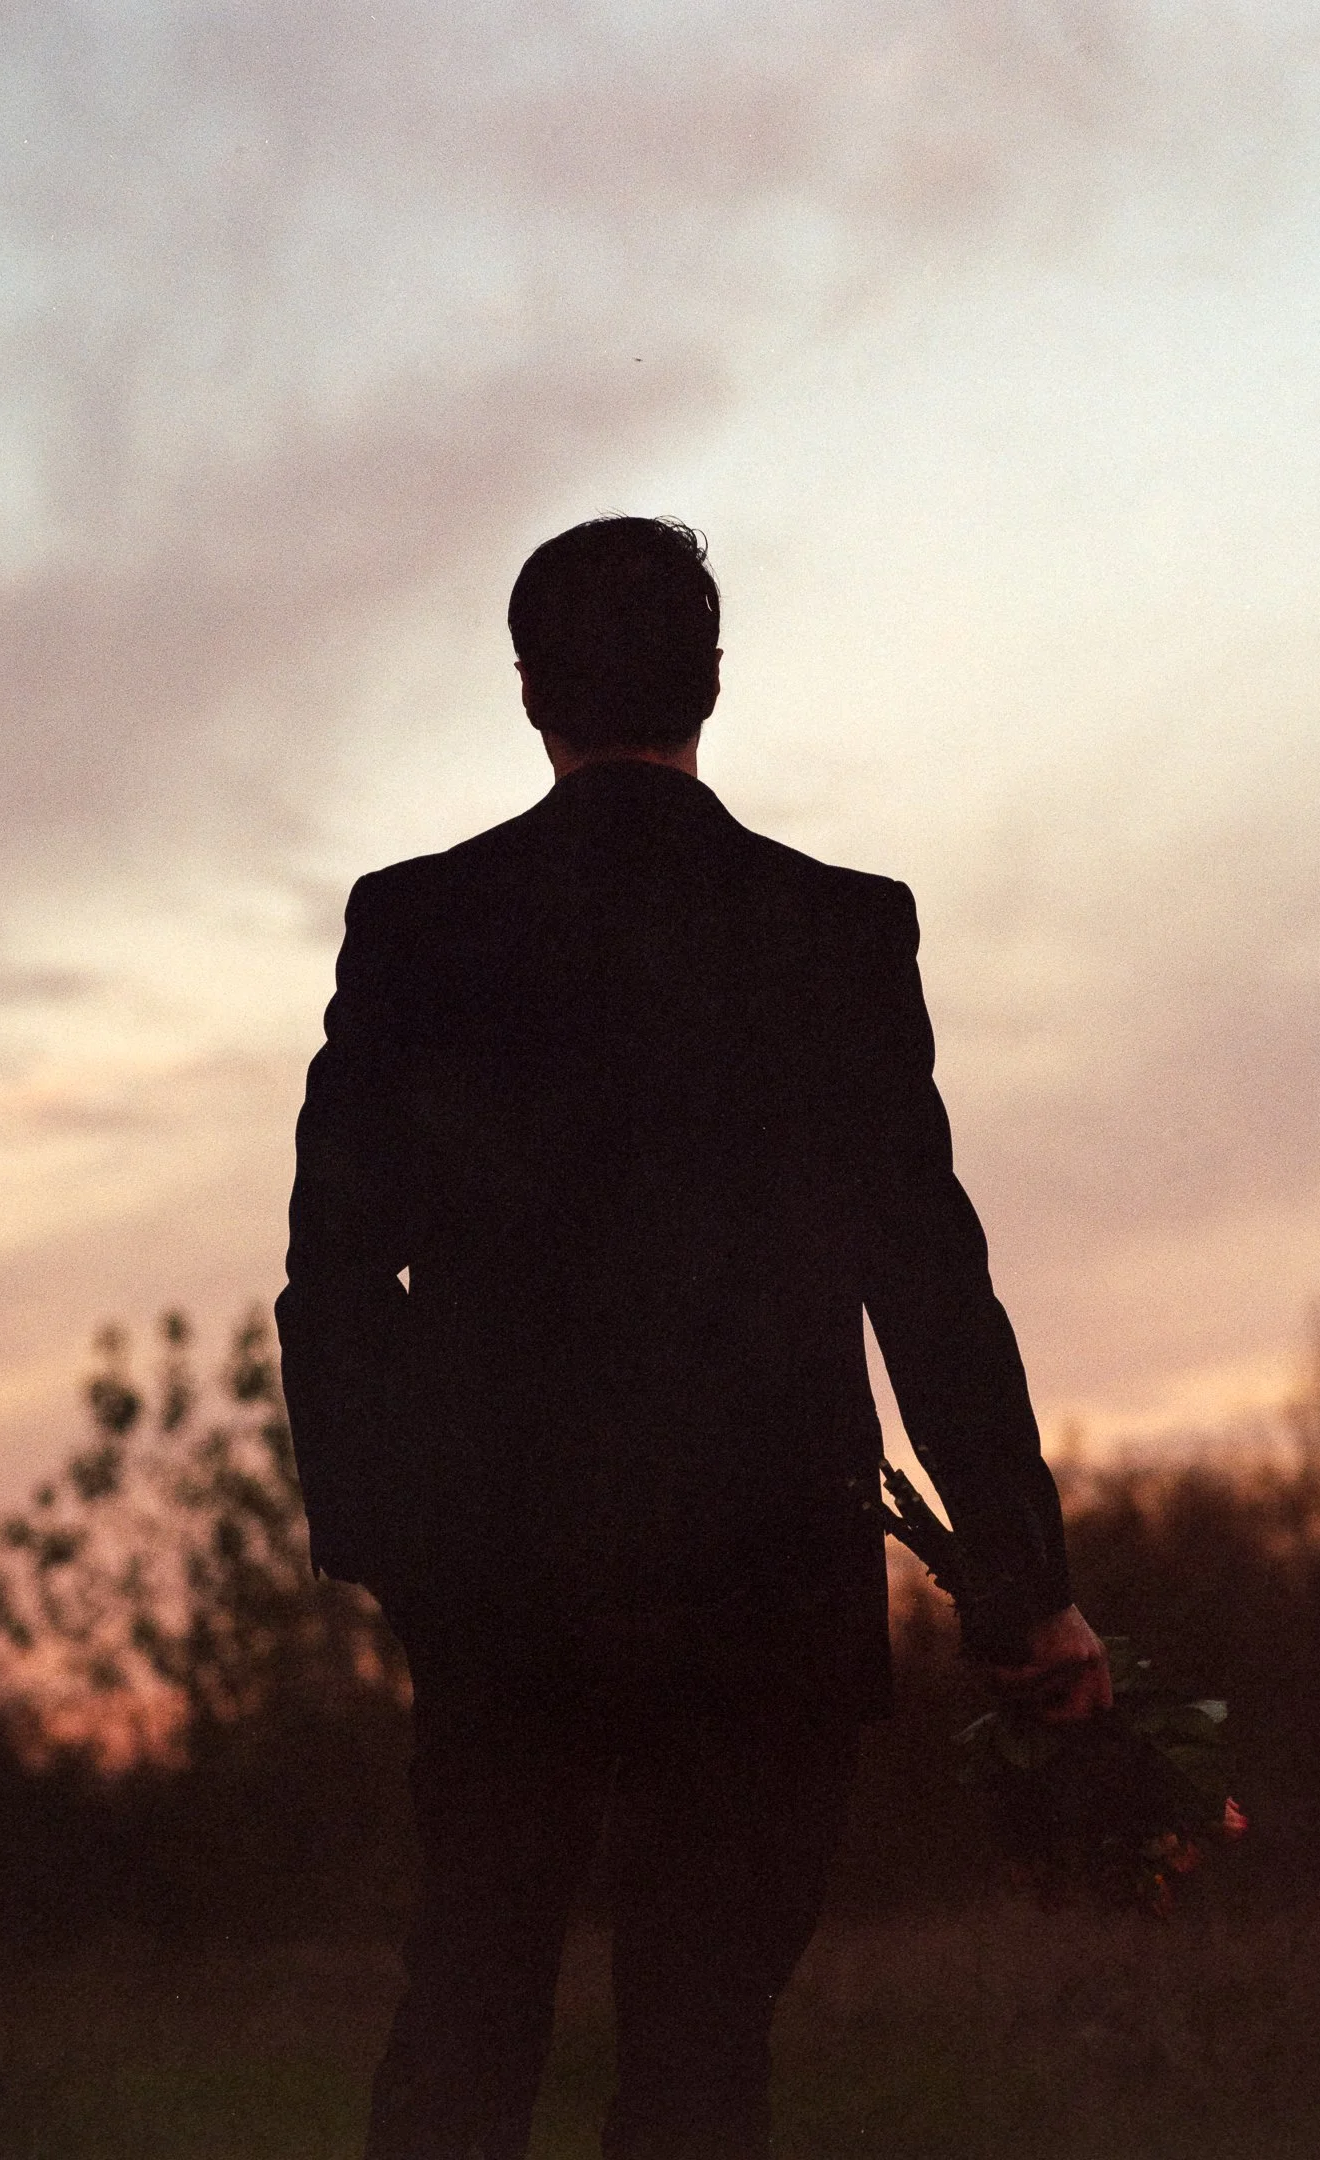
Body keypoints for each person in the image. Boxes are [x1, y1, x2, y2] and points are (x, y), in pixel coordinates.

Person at [276, 515, 1109, 2160]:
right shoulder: (838, 933)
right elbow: (928, 1280)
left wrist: (398, 1549)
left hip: (500, 1588)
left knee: (465, 2012)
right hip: (760, 1591)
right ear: (713, 681)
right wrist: (1023, 1583)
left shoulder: (421, 926)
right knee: (705, 2051)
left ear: (531, 696)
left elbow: (332, 1274)